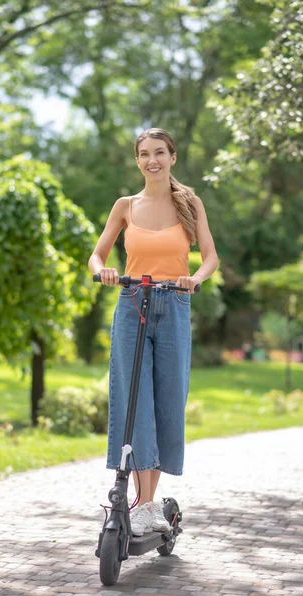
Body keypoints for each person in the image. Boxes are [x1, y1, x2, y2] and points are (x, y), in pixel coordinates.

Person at [88, 128, 218, 536]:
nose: (152, 160)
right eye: (144, 154)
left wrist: (194, 278)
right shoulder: (125, 206)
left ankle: (148, 503)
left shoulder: (189, 203)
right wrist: (104, 270)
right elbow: (96, 255)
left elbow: (211, 257)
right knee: (134, 402)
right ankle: (142, 506)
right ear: (138, 160)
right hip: (131, 305)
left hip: (174, 305)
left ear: (172, 157)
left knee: (166, 401)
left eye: (159, 152)